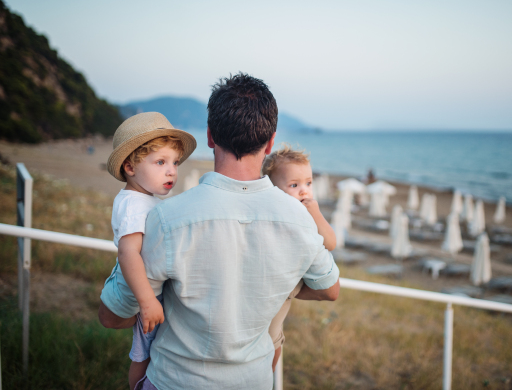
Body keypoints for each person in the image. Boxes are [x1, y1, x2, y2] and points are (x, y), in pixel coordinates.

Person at [98, 73, 340, 390]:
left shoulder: (167, 218)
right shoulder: (300, 220)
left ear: (211, 136)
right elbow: (330, 290)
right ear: (269, 143)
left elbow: (113, 316)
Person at [103, 112, 197, 389]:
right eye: (160, 162)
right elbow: (128, 254)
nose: (172, 171)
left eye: (175, 163)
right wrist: (146, 301)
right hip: (134, 291)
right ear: (130, 167)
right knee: (143, 357)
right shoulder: (134, 204)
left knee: (149, 353)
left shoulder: (145, 199)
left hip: (143, 289)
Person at [261, 144, 336, 370]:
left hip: (286, 291)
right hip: (270, 289)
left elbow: (330, 243)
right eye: (294, 185)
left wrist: (316, 213)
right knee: (267, 337)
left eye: (308, 183)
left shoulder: (309, 213)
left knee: (274, 341)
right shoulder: (271, 211)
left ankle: (267, 380)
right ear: (273, 190)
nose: (304, 191)